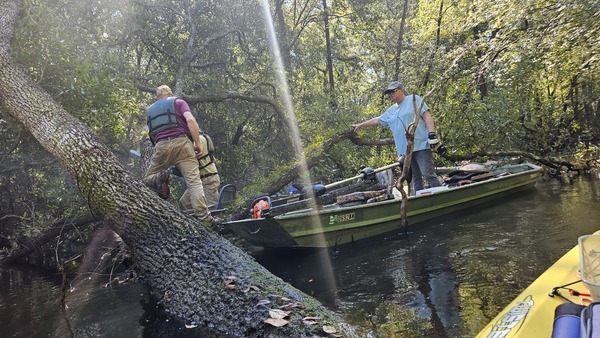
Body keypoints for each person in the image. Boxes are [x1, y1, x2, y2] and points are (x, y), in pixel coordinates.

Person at [351, 81, 442, 193]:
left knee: (428, 174)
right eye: (389, 93)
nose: (391, 94)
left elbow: (427, 116)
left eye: (393, 91)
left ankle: (441, 195)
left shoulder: (413, 99)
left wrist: (431, 134)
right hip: (406, 151)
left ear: (402, 90)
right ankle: (420, 200)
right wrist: (360, 125)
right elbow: (378, 119)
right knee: (414, 178)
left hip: (421, 145)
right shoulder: (392, 110)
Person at [144, 85, 215, 223]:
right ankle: (204, 218)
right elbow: (190, 120)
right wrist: (197, 143)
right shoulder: (178, 102)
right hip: (183, 144)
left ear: (157, 97)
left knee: (147, 179)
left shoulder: (150, 110)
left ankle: (158, 177)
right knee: (194, 182)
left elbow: (152, 134)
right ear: (170, 94)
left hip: (161, 146)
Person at [179, 131, 221, 210]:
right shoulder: (202, 138)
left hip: (209, 179)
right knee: (184, 203)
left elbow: (191, 155)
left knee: (210, 209)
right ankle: (193, 220)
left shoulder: (199, 140)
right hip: (200, 181)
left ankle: (205, 221)